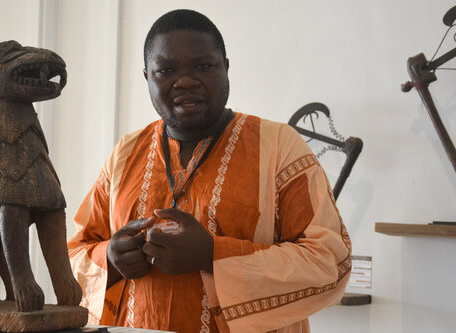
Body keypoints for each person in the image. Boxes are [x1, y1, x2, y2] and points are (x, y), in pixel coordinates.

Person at [67, 9, 351, 333]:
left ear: (226, 68)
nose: (185, 81)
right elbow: (75, 252)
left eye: (203, 66)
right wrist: (112, 260)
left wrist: (212, 255)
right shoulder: (125, 153)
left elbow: (330, 262)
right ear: (147, 76)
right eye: (166, 70)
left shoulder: (279, 147)